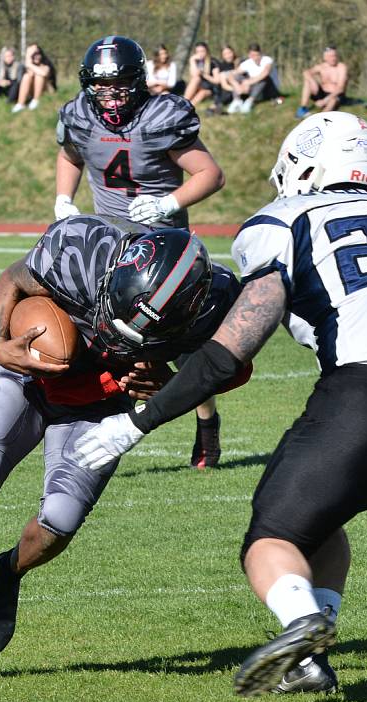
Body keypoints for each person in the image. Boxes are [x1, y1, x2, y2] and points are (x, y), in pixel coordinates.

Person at [75, 111, 367, 697]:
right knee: (318, 520)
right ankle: (312, 654)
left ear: (306, 164)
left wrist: (137, 421)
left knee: (270, 538)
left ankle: (302, 625)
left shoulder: (282, 219)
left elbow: (233, 349)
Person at [0, 221, 250, 688]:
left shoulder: (217, 304)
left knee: (58, 523)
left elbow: (231, 368)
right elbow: (14, 278)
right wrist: (1, 343)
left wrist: (167, 385)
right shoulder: (82, 248)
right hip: (28, 378)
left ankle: (7, 571)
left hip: (100, 403)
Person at [54, 35, 226, 469]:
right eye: (102, 85)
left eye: (120, 84)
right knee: (100, 334)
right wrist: (63, 200)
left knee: (184, 345)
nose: (111, 94)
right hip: (109, 243)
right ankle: (91, 420)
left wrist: (171, 201)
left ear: (139, 80)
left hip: (163, 247)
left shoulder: (160, 115)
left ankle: (206, 423)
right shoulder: (78, 115)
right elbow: (71, 155)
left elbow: (210, 173)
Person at [224, 43, 281, 114]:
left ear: (261, 53)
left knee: (263, 79)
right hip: (255, 90)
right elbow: (231, 75)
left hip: (270, 90)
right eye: (253, 55)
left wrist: (248, 82)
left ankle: (250, 102)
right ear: (249, 55)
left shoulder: (267, 60)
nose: (256, 58)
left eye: (257, 55)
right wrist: (236, 85)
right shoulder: (247, 63)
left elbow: (265, 73)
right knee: (237, 77)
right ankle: (236, 101)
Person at [295, 46, 348, 119]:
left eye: (335, 55)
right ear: (325, 57)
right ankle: (303, 109)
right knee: (307, 81)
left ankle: (320, 118)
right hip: (322, 93)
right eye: (330, 56)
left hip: (335, 95)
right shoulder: (321, 67)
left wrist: (325, 100)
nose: (333, 58)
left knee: (333, 100)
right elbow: (306, 72)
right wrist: (311, 81)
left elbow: (340, 88)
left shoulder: (341, 67)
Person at [12, 44, 55, 113]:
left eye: (38, 54)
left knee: (39, 75)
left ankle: (36, 100)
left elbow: (44, 73)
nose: (36, 57)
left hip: (47, 91)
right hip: (31, 91)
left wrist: (29, 64)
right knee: (27, 76)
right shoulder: (24, 65)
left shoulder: (46, 63)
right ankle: (20, 104)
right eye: (33, 54)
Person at [183, 42, 221, 107]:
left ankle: (188, 107)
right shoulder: (195, 61)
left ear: (207, 51)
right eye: (198, 51)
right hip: (197, 86)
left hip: (210, 89)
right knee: (196, 79)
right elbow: (194, 75)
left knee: (203, 92)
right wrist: (192, 60)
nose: (200, 54)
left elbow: (217, 81)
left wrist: (204, 74)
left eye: (202, 51)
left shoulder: (213, 62)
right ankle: (183, 102)